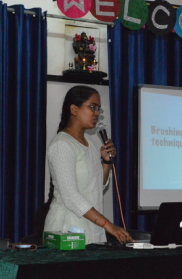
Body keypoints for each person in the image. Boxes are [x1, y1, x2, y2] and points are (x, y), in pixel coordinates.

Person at [44, 85, 133, 244]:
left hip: (91, 228)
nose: (97, 113)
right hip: (67, 229)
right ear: (74, 109)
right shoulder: (62, 145)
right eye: (92, 107)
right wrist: (108, 225)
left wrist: (106, 161)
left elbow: (98, 186)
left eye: (99, 109)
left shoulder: (90, 144)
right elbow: (71, 197)